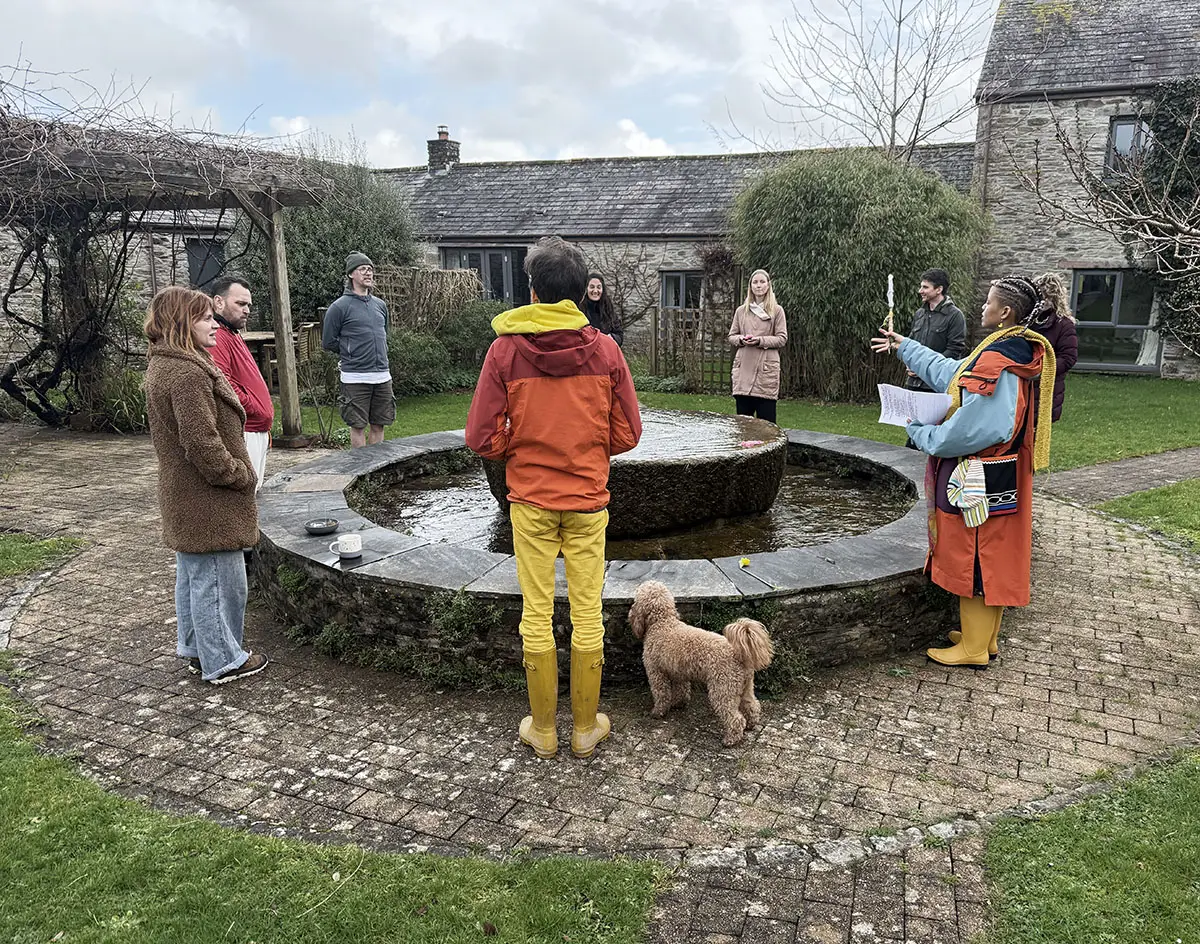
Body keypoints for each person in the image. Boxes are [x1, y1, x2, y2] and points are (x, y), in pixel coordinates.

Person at [466, 236, 642, 759]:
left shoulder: (504, 350)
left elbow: (480, 436)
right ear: (578, 292)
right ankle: (586, 730)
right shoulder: (607, 350)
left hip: (531, 503)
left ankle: (543, 731)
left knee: (536, 613)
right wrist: (588, 447)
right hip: (588, 502)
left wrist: (518, 446)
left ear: (532, 290)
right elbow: (628, 432)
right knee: (587, 612)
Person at [871, 276, 1056, 668]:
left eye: (988, 302)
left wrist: (922, 432)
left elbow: (976, 429)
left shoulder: (1000, 360)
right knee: (995, 554)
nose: (982, 308)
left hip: (978, 476)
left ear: (1005, 312)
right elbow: (953, 372)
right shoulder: (1010, 351)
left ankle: (972, 649)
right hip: (1003, 471)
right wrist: (906, 346)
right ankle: (982, 639)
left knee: (976, 556)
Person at [143, 286, 268, 684]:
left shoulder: (168, 363)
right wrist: (238, 475)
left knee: (196, 575)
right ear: (183, 322)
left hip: (186, 494)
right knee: (220, 580)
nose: (214, 324)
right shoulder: (186, 374)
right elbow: (201, 442)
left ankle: (198, 647)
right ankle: (223, 659)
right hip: (207, 499)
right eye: (204, 318)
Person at [321, 251, 393, 448]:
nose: (368, 273)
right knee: (358, 426)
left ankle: (375, 471)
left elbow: (385, 334)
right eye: (363, 269)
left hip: (382, 376)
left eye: (370, 269)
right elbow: (328, 342)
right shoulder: (339, 307)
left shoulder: (380, 305)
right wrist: (350, 352)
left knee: (379, 424)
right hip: (355, 377)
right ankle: (362, 474)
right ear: (351, 274)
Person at [208, 275, 274, 489]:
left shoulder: (231, 333)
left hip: (256, 428)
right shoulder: (217, 335)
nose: (247, 310)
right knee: (245, 496)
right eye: (240, 303)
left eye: (248, 305)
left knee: (253, 495)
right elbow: (222, 383)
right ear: (219, 302)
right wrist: (255, 409)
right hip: (245, 429)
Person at [904, 269, 968, 448]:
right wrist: (910, 363)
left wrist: (925, 367)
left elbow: (955, 350)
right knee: (912, 427)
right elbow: (911, 343)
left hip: (935, 385)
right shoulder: (920, 314)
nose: (920, 290)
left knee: (931, 431)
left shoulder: (955, 316)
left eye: (925, 287)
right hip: (914, 383)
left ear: (939, 289)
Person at [727, 268, 788, 423]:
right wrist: (741, 339)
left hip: (765, 371)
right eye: (755, 282)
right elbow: (732, 336)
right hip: (744, 368)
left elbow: (782, 338)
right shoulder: (741, 311)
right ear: (750, 286)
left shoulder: (777, 311)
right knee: (743, 425)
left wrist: (760, 341)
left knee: (767, 425)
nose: (758, 285)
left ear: (768, 285)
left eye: (762, 282)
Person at [1026, 272, 1079, 422]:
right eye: (1041, 295)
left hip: (1046, 387)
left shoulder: (1064, 324)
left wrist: (1041, 368)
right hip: (1023, 383)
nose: (1044, 301)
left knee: (1037, 430)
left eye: (1048, 296)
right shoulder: (1027, 320)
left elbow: (1069, 358)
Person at [582, 273, 624, 347]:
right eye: (592, 287)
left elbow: (619, 335)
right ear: (586, 289)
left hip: (606, 353)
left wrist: (609, 338)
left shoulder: (608, 308)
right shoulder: (580, 309)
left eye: (598, 287)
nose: (595, 291)